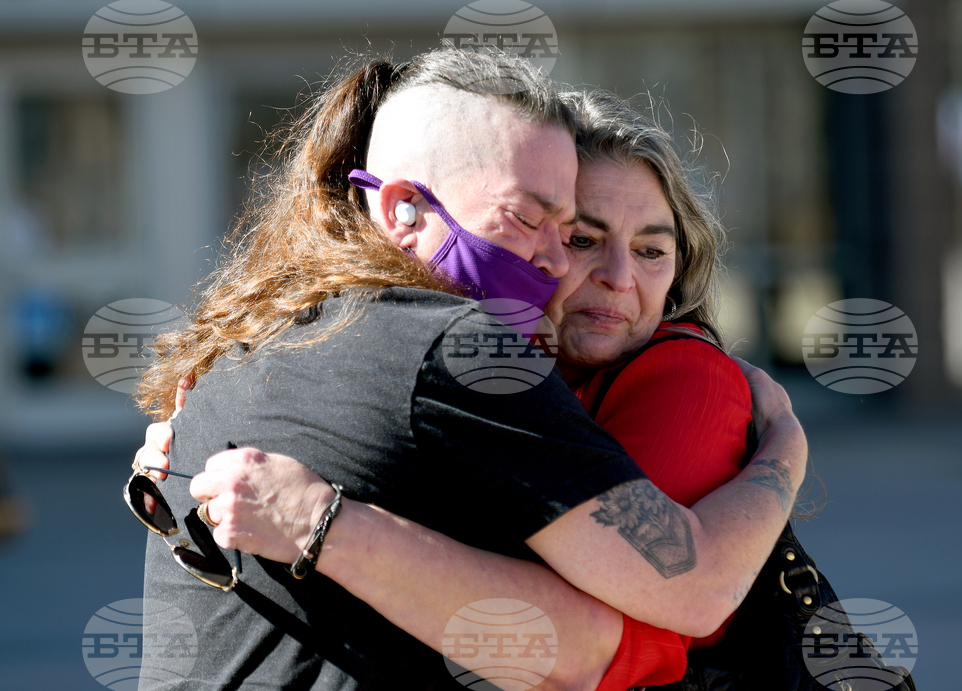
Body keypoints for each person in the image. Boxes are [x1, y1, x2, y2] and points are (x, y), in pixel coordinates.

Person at [133, 49, 806, 690]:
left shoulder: (258, 332)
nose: (554, 262)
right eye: (538, 224)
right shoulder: (461, 348)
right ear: (402, 208)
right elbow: (618, 627)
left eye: (562, 227)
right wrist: (785, 448)